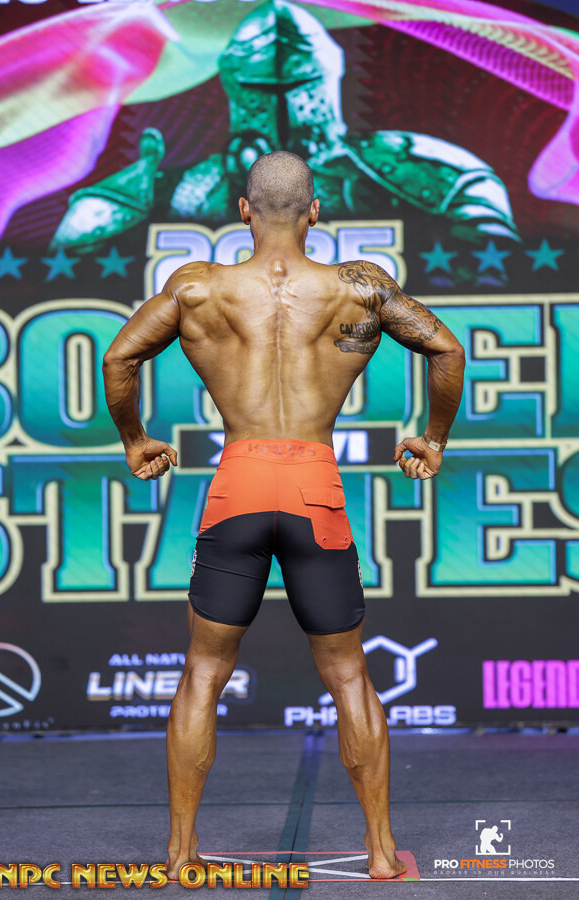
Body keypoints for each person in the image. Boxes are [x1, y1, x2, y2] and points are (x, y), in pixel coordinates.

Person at [102, 151, 465, 880]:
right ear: (315, 212)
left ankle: (180, 852)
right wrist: (432, 438)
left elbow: (119, 359)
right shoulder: (358, 287)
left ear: (243, 210)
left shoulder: (197, 288)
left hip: (237, 488)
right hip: (312, 491)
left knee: (204, 669)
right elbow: (446, 350)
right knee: (349, 674)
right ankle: (381, 852)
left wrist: (136, 440)